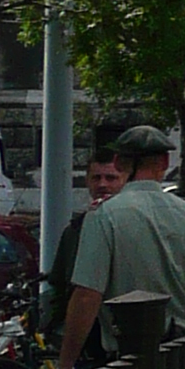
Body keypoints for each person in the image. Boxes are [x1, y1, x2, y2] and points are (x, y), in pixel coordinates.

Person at [57, 124, 185, 369]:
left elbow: (87, 295)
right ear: (164, 162)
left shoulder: (104, 216)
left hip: (131, 362)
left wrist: (65, 365)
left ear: (118, 162)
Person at [42, 147, 126, 354]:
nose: (102, 184)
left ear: (125, 180)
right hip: (83, 337)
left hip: (121, 332)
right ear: (87, 181)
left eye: (111, 178)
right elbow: (61, 283)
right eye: (96, 178)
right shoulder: (75, 230)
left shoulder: (131, 227)